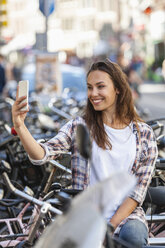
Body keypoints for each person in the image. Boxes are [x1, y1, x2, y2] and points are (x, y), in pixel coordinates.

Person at [12, 58, 158, 247]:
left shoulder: (144, 134)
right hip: (86, 215)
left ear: (118, 89)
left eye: (100, 86)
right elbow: (42, 155)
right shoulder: (80, 126)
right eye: (89, 87)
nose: (93, 93)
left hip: (127, 217)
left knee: (133, 239)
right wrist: (20, 126)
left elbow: (136, 194)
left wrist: (107, 228)